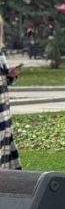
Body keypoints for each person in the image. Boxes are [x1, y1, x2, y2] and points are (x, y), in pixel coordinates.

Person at [1, 16, 22, 170]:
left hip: (4, 113)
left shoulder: (0, 55)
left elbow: (5, 78)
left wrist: (11, 75)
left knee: (5, 151)